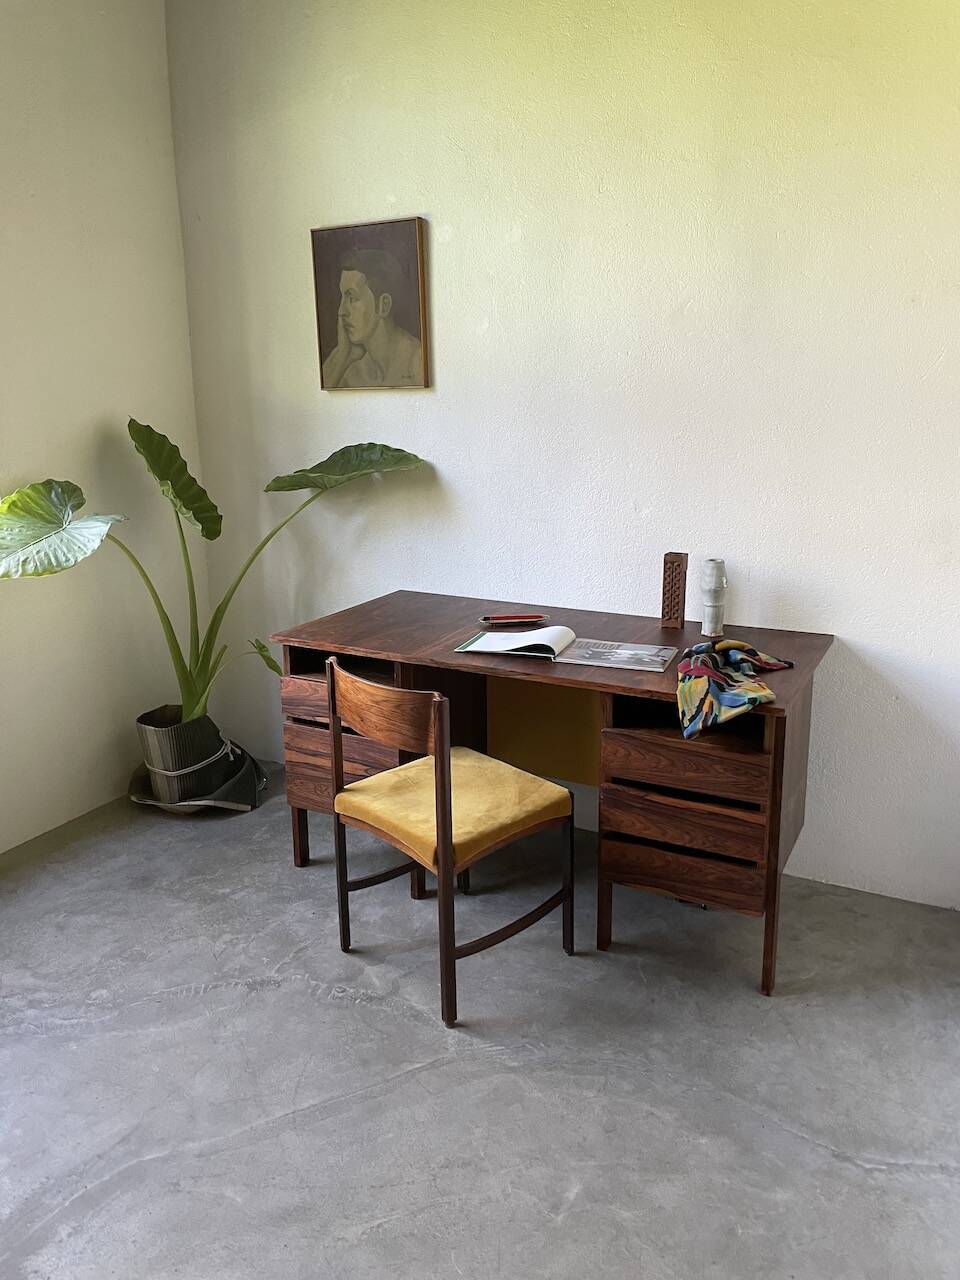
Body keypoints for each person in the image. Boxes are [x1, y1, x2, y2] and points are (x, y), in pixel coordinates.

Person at [322, 248, 423, 388]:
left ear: (384, 305)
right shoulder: (345, 363)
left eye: (352, 298)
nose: (341, 311)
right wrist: (341, 358)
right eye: (342, 297)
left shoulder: (417, 361)